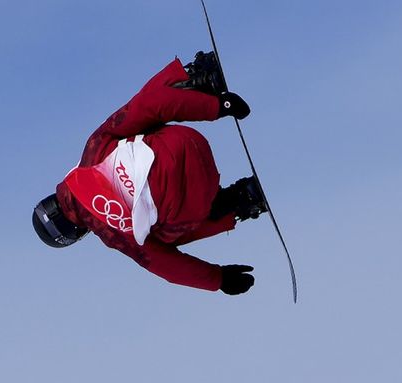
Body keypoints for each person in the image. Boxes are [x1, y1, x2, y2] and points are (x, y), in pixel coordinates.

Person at [31, 52, 267, 295]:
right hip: (186, 145)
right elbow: (148, 106)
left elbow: (164, 265)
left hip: (198, 198)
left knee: (156, 241)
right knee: (138, 114)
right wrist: (217, 107)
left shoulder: (113, 235)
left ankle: (240, 202)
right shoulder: (93, 150)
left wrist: (219, 280)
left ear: (76, 233)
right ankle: (196, 81)